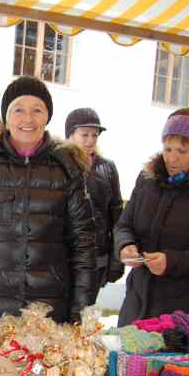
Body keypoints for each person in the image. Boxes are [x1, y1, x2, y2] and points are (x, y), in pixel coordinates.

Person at [0, 75, 97, 323]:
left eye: (37, 110)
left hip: (50, 310)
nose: (28, 119)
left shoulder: (68, 167)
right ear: (6, 117)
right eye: (18, 109)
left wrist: (80, 312)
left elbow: (84, 244)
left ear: (47, 116)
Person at [114, 107, 189, 325]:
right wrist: (125, 246)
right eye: (168, 149)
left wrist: (172, 261)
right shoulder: (147, 179)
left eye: (182, 151)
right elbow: (124, 225)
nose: (172, 158)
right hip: (136, 305)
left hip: (179, 315)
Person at [65, 108, 124, 297]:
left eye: (95, 135)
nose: (90, 140)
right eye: (84, 135)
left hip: (97, 259)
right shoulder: (57, 165)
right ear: (70, 135)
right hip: (63, 257)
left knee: (86, 310)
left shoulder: (107, 168)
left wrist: (116, 260)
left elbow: (117, 216)